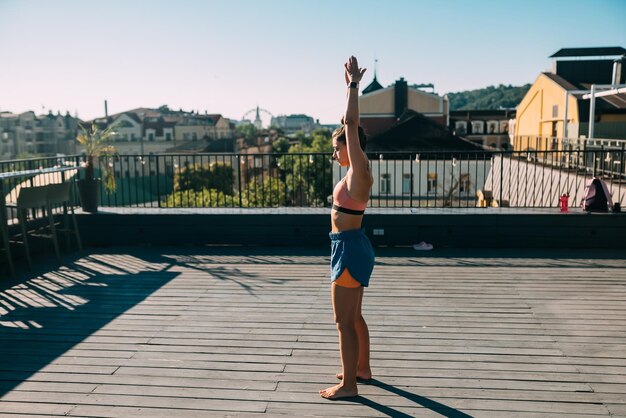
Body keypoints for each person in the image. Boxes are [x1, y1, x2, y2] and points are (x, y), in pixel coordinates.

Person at [319, 56, 375, 400]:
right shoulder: (360, 170)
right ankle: (362, 369)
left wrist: (352, 86)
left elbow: (350, 122)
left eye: (335, 148)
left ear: (348, 146)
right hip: (350, 245)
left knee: (343, 322)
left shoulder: (358, 170)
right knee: (354, 317)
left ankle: (349, 385)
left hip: (349, 248)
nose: (334, 153)